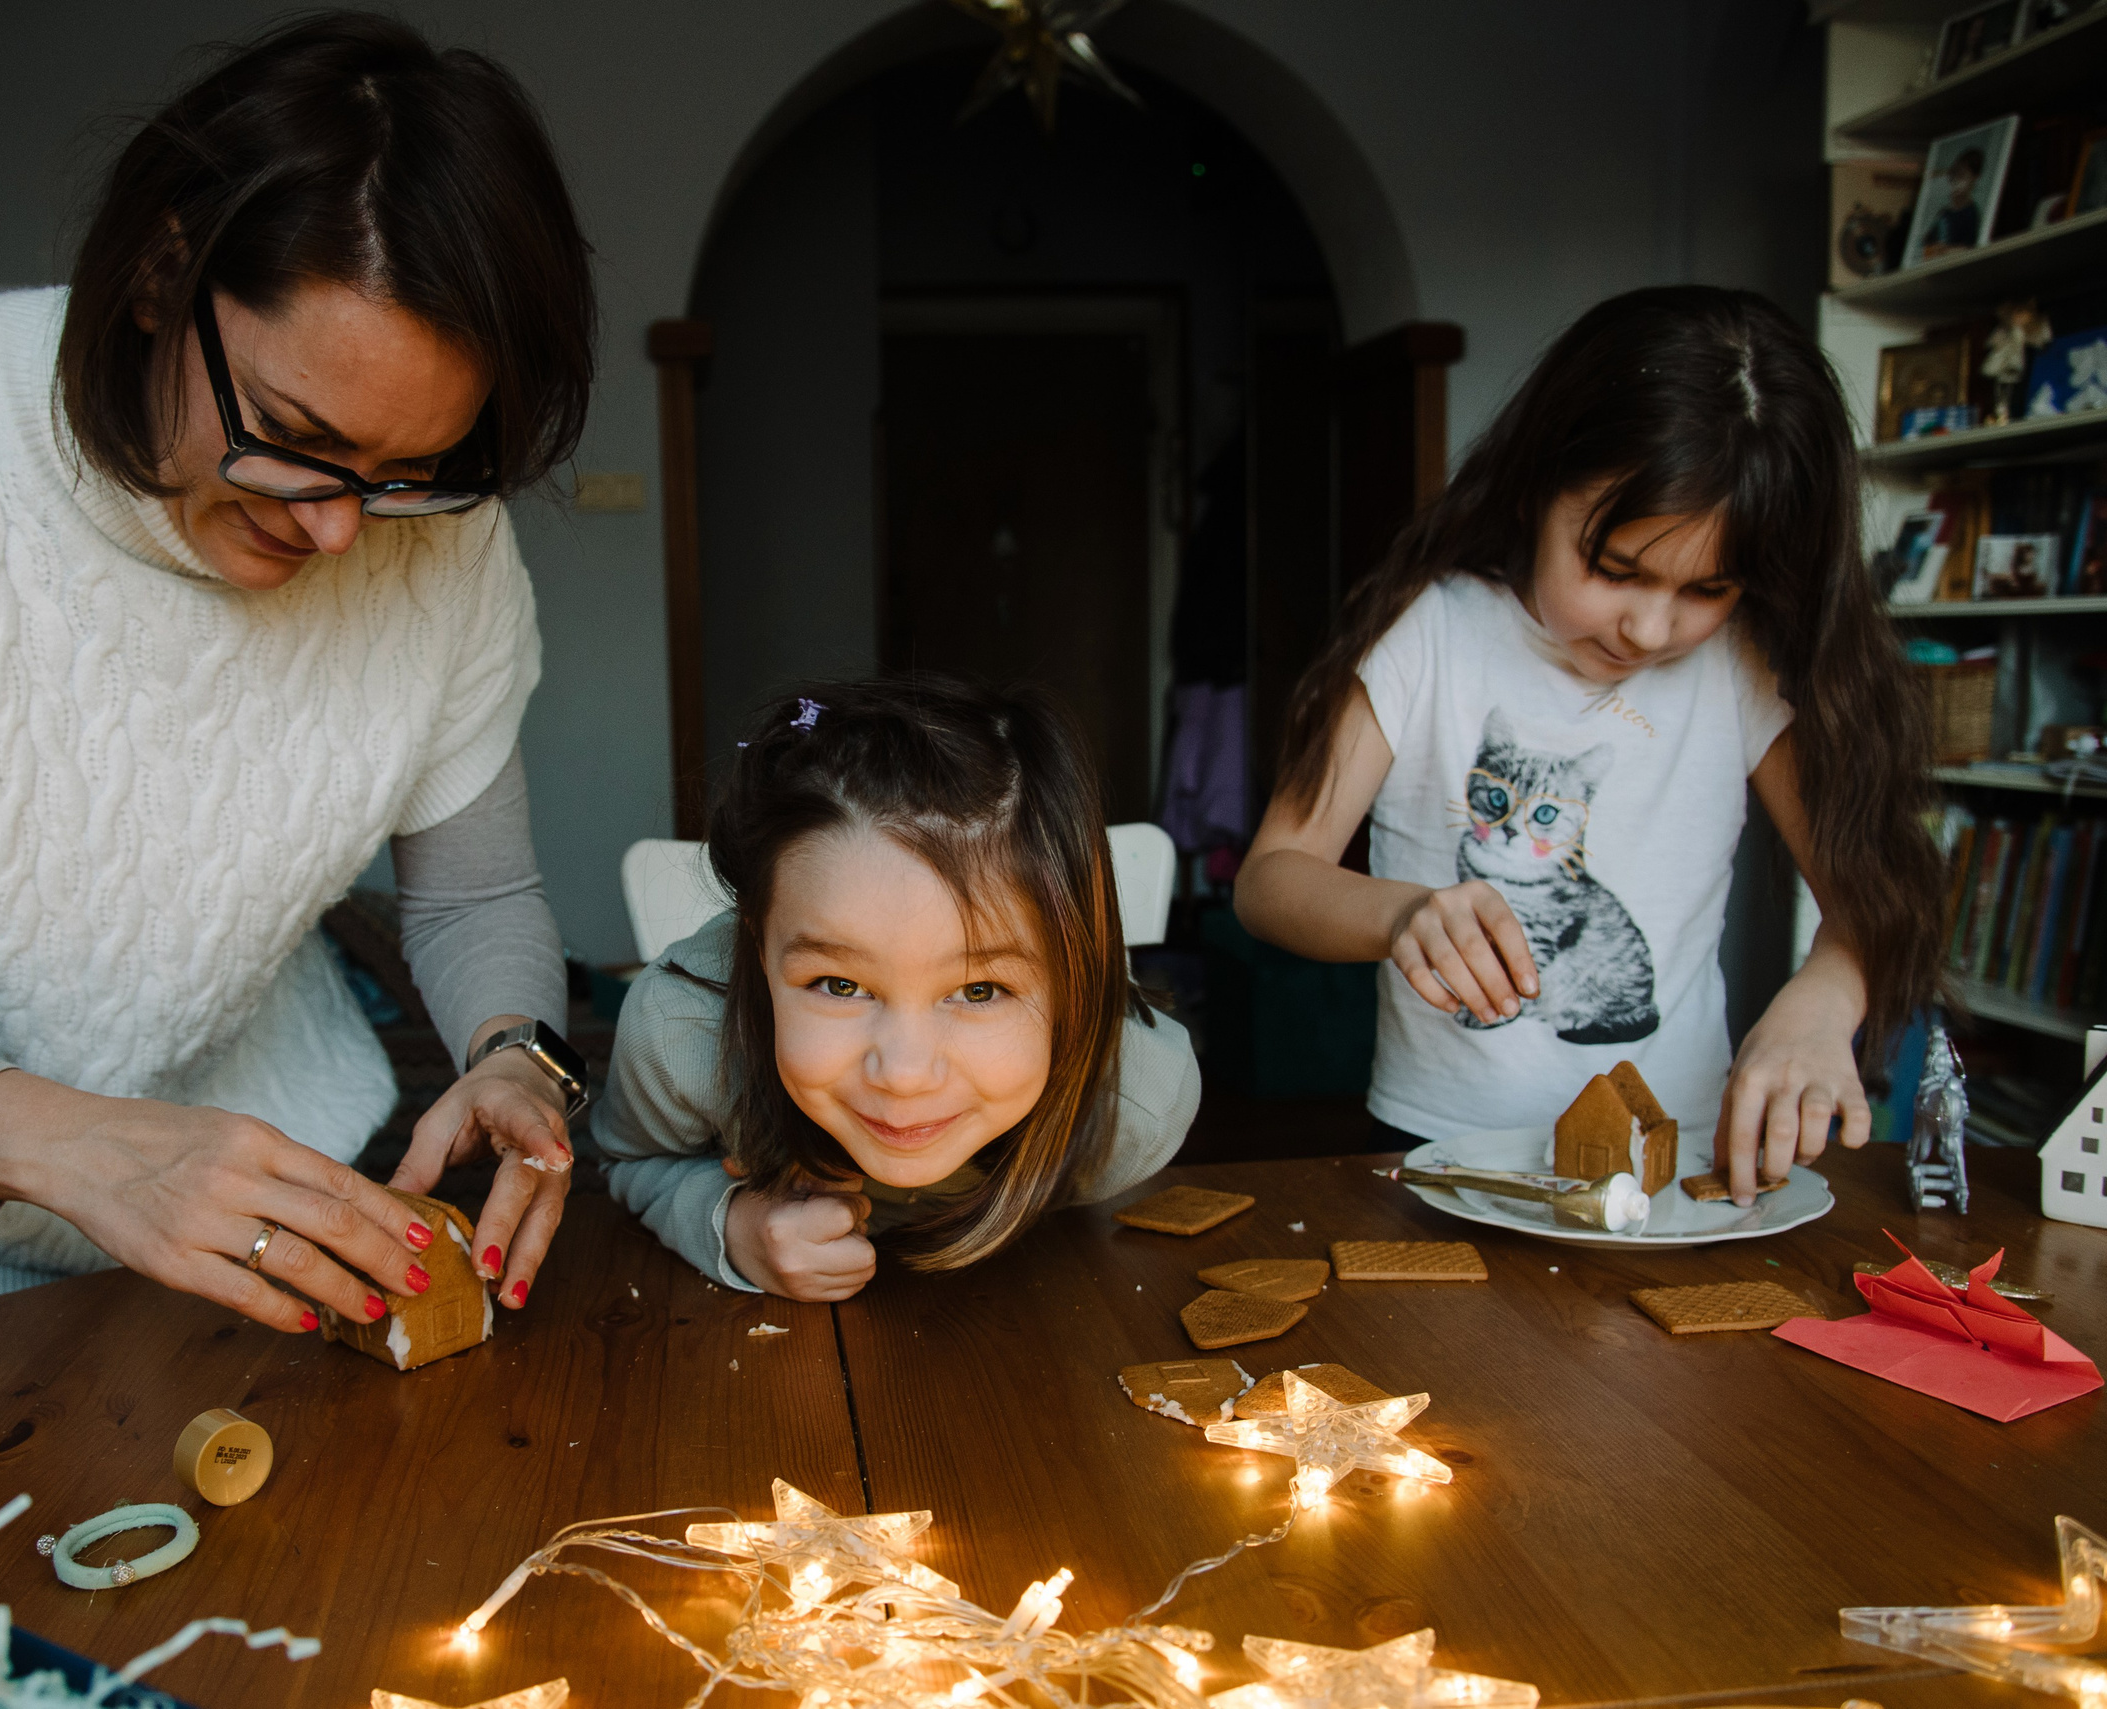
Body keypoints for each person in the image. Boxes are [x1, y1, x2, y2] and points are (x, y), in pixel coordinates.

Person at [0, 14, 598, 1341]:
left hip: (271, 1207)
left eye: (405, 472)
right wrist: (90, 1149)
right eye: (292, 434)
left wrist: (518, 1056)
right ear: (158, 272)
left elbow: (475, 892)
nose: (338, 531)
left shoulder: (440, 533)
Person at [1234, 286, 1943, 1205]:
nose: (1649, 629)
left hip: (1677, 1156)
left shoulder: (1742, 664)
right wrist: (1402, 914)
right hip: (1442, 1147)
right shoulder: (1430, 630)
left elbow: (1872, 894)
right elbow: (1271, 879)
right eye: (1616, 569)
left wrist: (1823, 1002)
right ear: (1539, 484)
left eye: (1707, 590)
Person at [593, 679, 1202, 1301]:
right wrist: (729, 1225)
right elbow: (629, 1161)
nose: (904, 1076)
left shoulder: (1130, 1109)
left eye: (980, 991)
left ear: (1075, 975)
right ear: (756, 943)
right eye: (840, 985)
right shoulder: (681, 1034)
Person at [1919, 150, 1986, 257]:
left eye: (1962, 176)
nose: (1955, 181)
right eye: (1953, 175)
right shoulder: (1944, 213)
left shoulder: (1971, 214)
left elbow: (1968, 248)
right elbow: (1927, 241)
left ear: (1974, 178)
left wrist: (1944, 250)